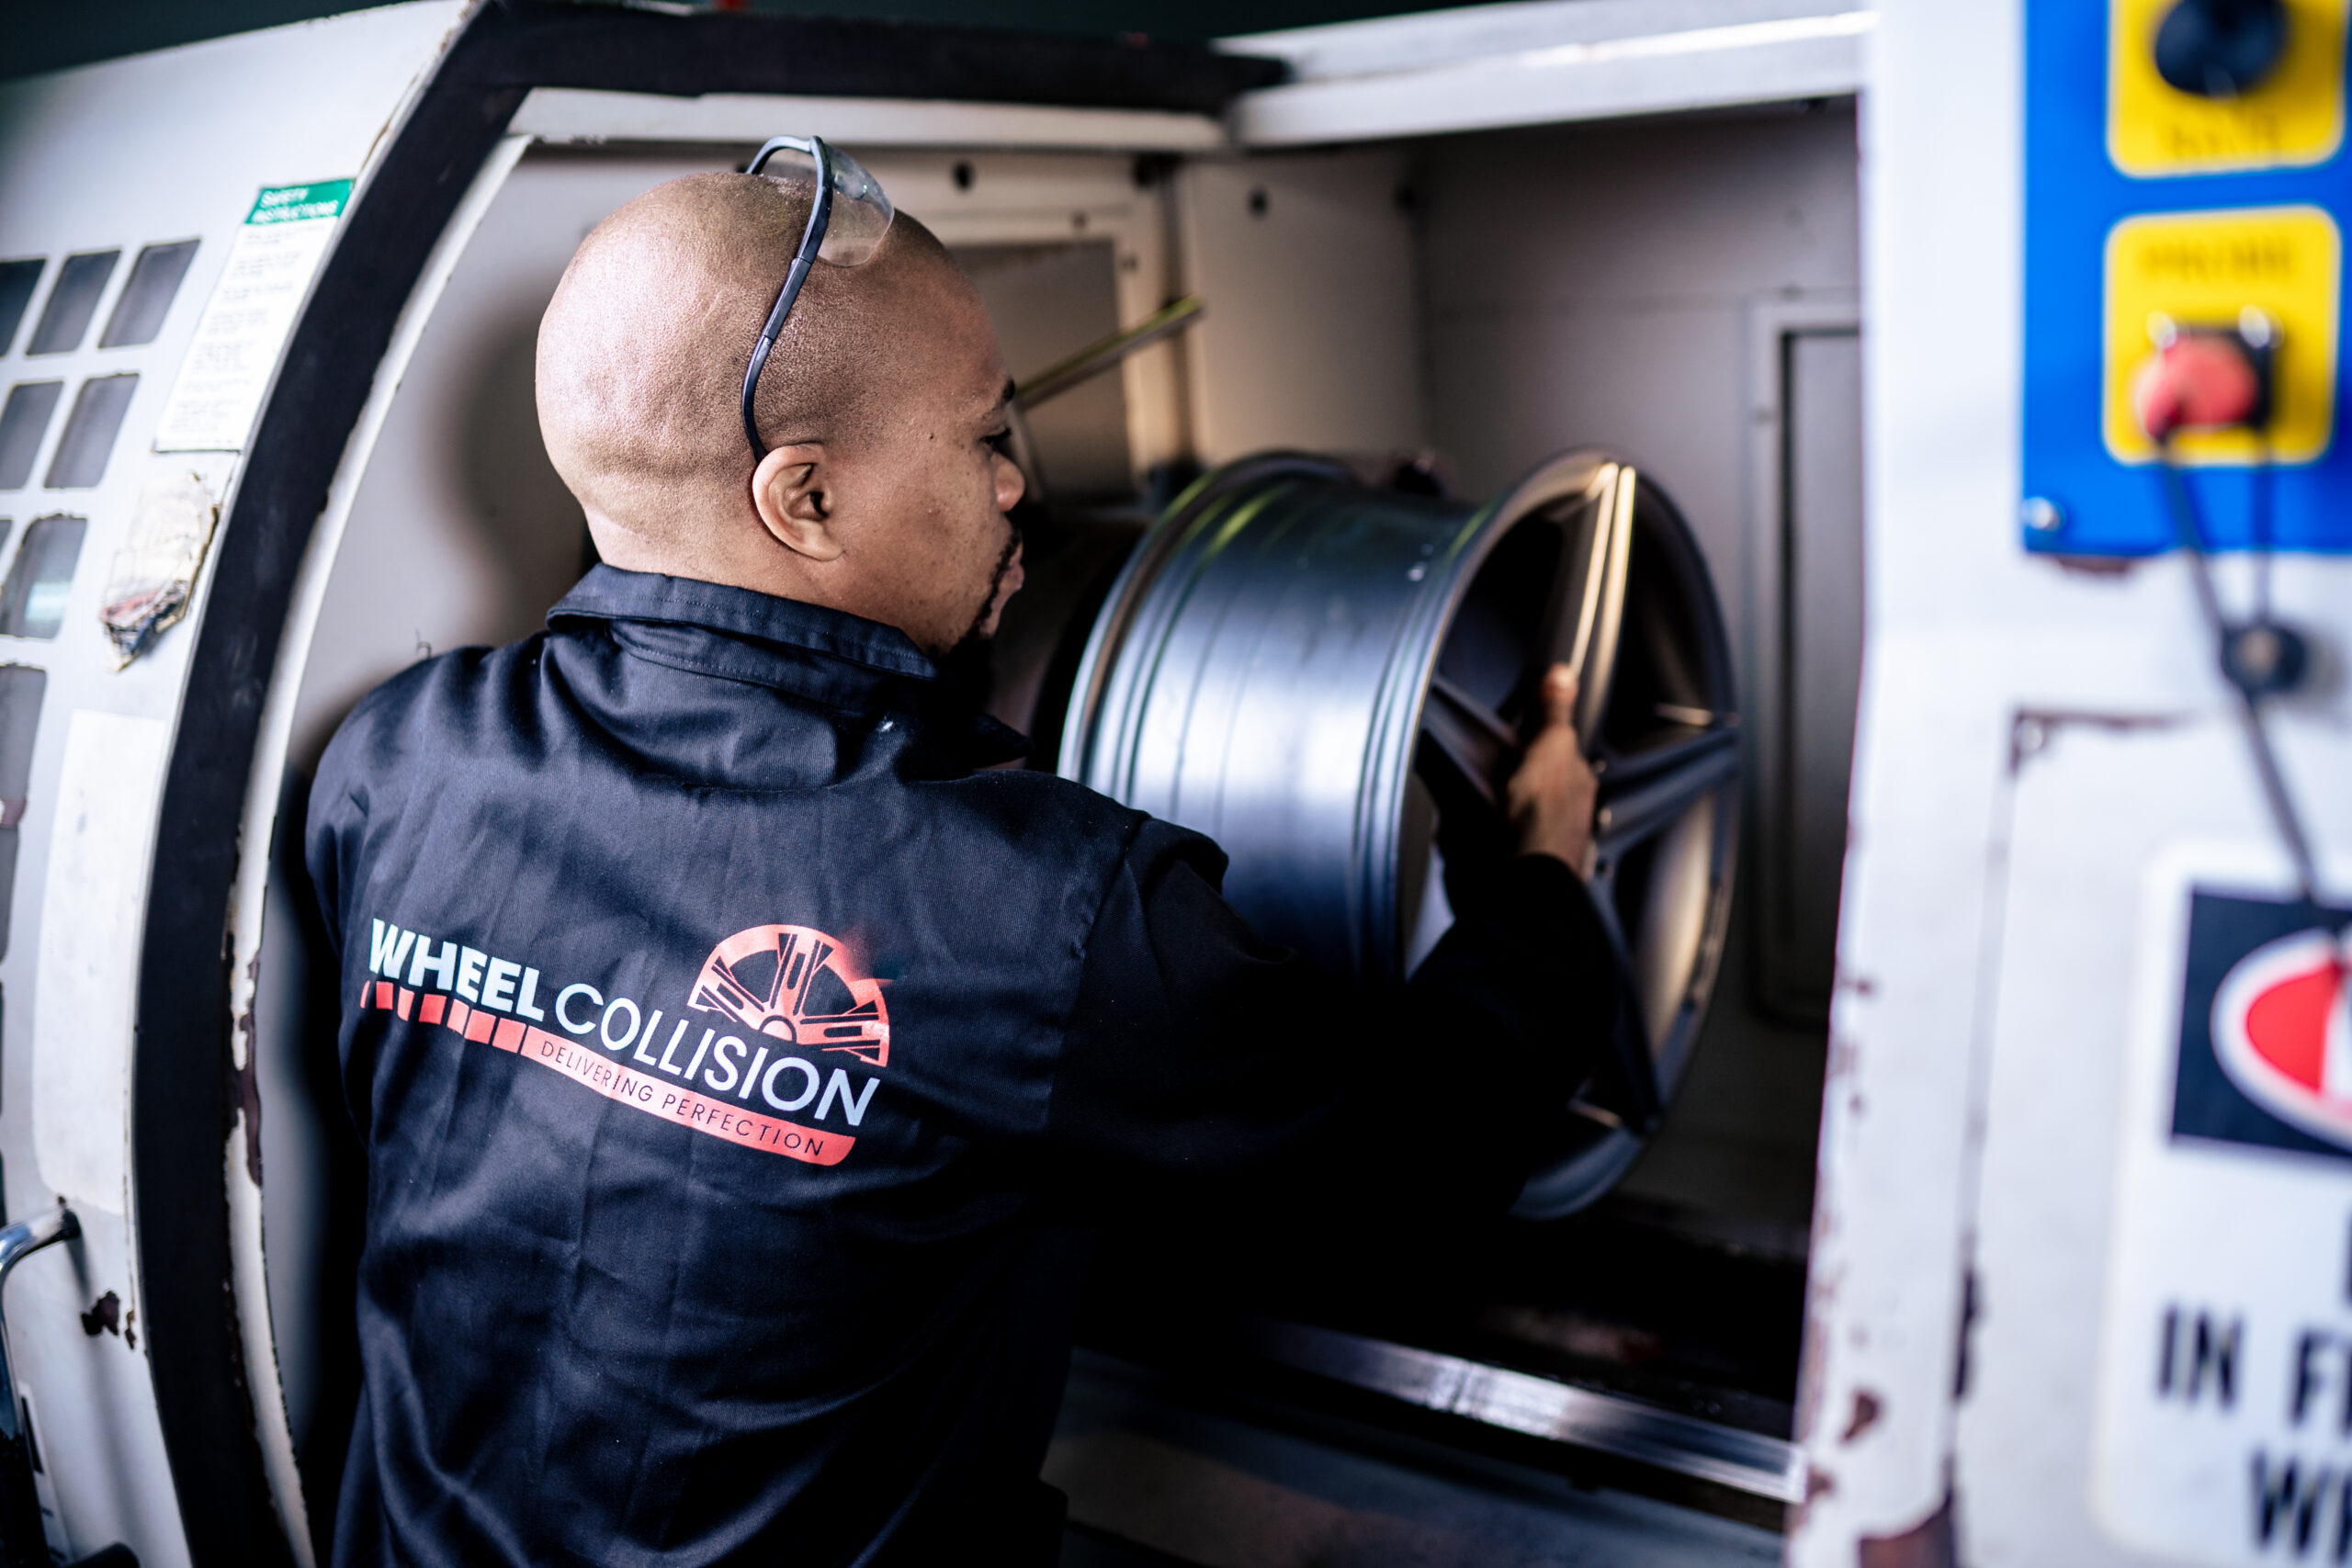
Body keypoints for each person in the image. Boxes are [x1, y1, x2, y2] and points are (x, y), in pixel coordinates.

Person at [306, 164, 1623, 1568]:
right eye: (987, 437)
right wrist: (1541, 878)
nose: (1015, 487)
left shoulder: (398, 762)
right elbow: (1429, 1150)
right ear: (801, 496)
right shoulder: (1043, 918)